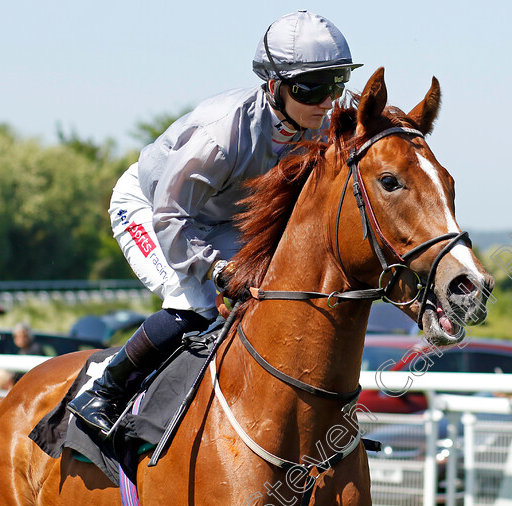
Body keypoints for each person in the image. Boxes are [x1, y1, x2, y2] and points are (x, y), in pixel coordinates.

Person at [67, 10, 362, 437]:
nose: (326, 101)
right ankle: (103, 391)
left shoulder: (314, 130)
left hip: (219, 218)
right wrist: (219, 270)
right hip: (154, 210)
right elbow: (172, 217)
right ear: (275, 85)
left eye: (335, 85)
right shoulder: (221, 133)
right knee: (197, 301)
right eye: (311, 88)